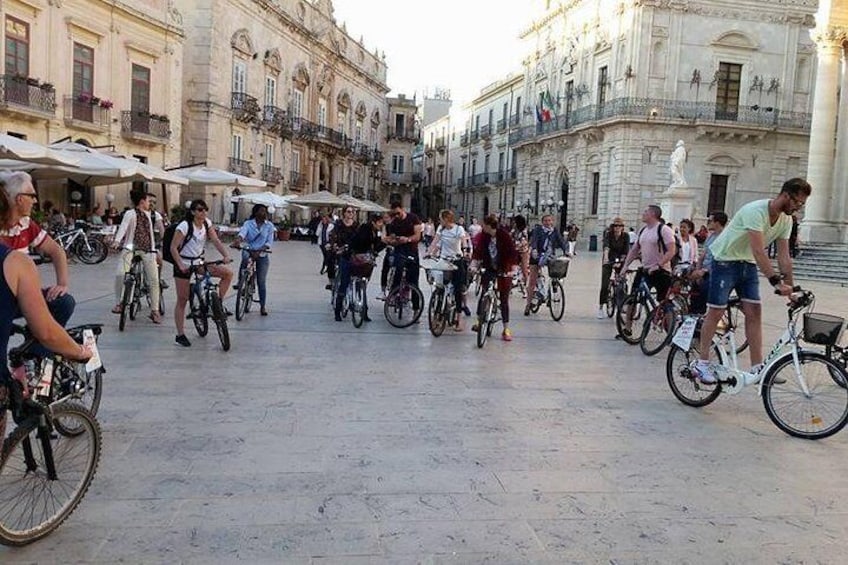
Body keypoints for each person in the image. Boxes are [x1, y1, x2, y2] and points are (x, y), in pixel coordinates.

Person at [691, 178, 809, 384]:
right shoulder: (756, 211)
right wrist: (775, 282)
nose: (798, 207)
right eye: (797, 202)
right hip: (724, 261)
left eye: (802, 204)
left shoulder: (786, 220)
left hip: (747, 264)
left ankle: (758, 367)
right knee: (716, 311)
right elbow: (758, 249)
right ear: (786, 195)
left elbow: (784, 256)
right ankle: (702, 363)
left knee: (754, 312)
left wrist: (791, 289)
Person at [0, 171, 76, 337]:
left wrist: (62, 284)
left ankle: (31, 355)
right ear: (19, 199)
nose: (35, 201)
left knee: (64, 302)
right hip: (3, 300)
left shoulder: (26, 224)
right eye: (32, 196)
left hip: (22, 298)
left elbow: (56, 251)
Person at [170, 199, 233, 347]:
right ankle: (180, 334)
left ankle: (217, 305)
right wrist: (180, 265)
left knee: (227, 274)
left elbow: (216, 240)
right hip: (184, 263)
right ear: (193, 212)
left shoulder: (206, 223)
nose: (203, 212)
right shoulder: (185, 226)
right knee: (182, 299)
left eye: (205, 209)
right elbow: (173, 248)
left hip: (198, 262)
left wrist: (225, 255)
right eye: (199, 210)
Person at [619, 205, 677, 338]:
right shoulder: (643, 230)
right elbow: (634, 250)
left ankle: (671, 333)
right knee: (633, 298)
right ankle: (627, 328)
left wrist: (659, 264)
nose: (643, 213)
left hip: (661, 270)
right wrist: (625, 267)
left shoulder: (664, 230)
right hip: (645, 269)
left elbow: (671, 251)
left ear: (652, 214)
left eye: (645, 211)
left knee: (664, 301)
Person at [111, 190, 162, 323]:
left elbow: (161, 229)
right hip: (130, 248)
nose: (149, 203)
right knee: (120, 273)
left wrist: (162, 245)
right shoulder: (130, 213)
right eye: (148, 201)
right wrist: (117, 241)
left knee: (154, 280)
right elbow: (123, 227)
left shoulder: (153, 215)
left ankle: (155, 310)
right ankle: (120, 302)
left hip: (148, 250)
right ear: (142, 201)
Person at [471, 214, 518, 341]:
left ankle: (506, 329)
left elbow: (512, 252)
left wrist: (513, 270)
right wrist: (474, 265)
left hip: (503, 269)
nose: (482, 227)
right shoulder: (484, 236)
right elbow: (478, 251)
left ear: (488, 225)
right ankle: (479, 321)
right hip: (489, 267)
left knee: (504, 299)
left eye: (483, 225)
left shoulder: (504, 236)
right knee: (484, 294)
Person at [427, 209, 472, 331]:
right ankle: (437, 314)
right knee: (440, 287)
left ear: (446, 219)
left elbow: (463, 243)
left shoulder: (459, 229)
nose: (439, 220)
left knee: (458, 289)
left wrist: (465, 252)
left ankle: (458, 318)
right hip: (444, 260)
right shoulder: (440, 229)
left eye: (441, 218)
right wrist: (428, 253)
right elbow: (435, 242)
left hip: (456, 260)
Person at [231, 203, 276, 316]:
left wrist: (260, 250)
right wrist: (238, 241)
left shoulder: (269, 226)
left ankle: (262, 306)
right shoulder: (248, 223)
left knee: (261, 281)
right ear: (255, 213)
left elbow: (269, 242)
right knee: (245, 257)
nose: (264, 213)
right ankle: (241, 280)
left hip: (262, 254)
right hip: (249, 249)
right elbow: (242, 233)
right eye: (261, 211)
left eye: (265, 211)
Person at [525, 214, 569, 316]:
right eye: (545, 221)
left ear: (552, 221)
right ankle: (528, 305)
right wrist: (534, 250)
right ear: (542, 222)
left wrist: (566, 251)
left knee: (555, 273)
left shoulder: (555, 231)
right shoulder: (538, 230)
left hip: (549, 255)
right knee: (532, 280)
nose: (548, 223)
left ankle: (552, 290)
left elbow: (561, 241)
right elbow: (534, 241)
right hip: (537, 255)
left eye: (550, 220)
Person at [688, 212, 728, 315]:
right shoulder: (711, 236)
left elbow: (721, 259)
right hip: (703, 270)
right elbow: (702, 256)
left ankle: (702, 317)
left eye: (710, 221)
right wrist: (698, 270)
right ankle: (693, 317)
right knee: (693, 292)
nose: (708, 222)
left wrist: (705, 271)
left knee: (703, 292)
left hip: (715, 271)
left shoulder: (725, 237)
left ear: (717, 223)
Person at [382, 199, 423, 301]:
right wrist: (390, 240)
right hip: (399, 250)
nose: (396, 216)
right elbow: (391, 237)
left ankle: (416, 306)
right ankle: (393, 294)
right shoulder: (394, 223)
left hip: (412, 250)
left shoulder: (413, 218)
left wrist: (407, 239)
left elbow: (418, 236)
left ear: (402, 209)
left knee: (413, 279)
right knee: (398, 270)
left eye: (398, 213)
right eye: (394, 214)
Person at [349, 213, 386, 322]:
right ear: (374, 222)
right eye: (380, 222)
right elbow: (361, 243)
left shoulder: (374, 231)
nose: (381, 225)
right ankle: (359, 305)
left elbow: (376, 246)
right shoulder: (365, 229)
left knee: (363, 283)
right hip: (359, 258)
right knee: (359, 283)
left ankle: (362, 307)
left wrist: (383, 243)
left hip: (366, 260)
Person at [330, 206, 359, 321]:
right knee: (344, 283)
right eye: (348, 211)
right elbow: (333, 236)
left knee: (360, 280)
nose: (351, 213)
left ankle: (363, 310)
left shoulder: (357, 225)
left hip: (354, 254)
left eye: (352, 212)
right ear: (344, 213)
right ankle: (338, 310)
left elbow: (360, 238)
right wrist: (334, 245)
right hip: (343, 254)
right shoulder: (339, 224)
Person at [597, 217, 630, 318]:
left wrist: (621, 262)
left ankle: (623, 302)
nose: (617, 228)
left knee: (623, 282)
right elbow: (606, 247)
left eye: (619, 226)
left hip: (621, 259)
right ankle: (601, 307)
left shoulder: (625, 236)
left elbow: (626, 250)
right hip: (609, 259)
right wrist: (606, 258)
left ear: (622, 227)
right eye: (615, 226)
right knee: (605, 284)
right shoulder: (609, 235)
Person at [511, 214, 530, 287]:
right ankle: (514, 281)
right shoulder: (514, 229)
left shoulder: (524, 230)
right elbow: (510, 236)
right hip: (515, 251)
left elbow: (524, 241)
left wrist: (517, 245)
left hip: (523, 251)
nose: (513, 223)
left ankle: (527, 285)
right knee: (512, 266)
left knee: (524, 268)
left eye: (515, 222)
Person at [317, 213, 336, 286]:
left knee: (327, 256)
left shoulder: (331, 226)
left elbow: (332, 235)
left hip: (328, 244)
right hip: (321, 243)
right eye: (322, 219)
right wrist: (320, 225)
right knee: (325, 256)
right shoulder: (321, 226)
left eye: (325, 219)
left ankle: (324, 268)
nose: (323, 220)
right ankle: (325, 268)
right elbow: (317, 234)